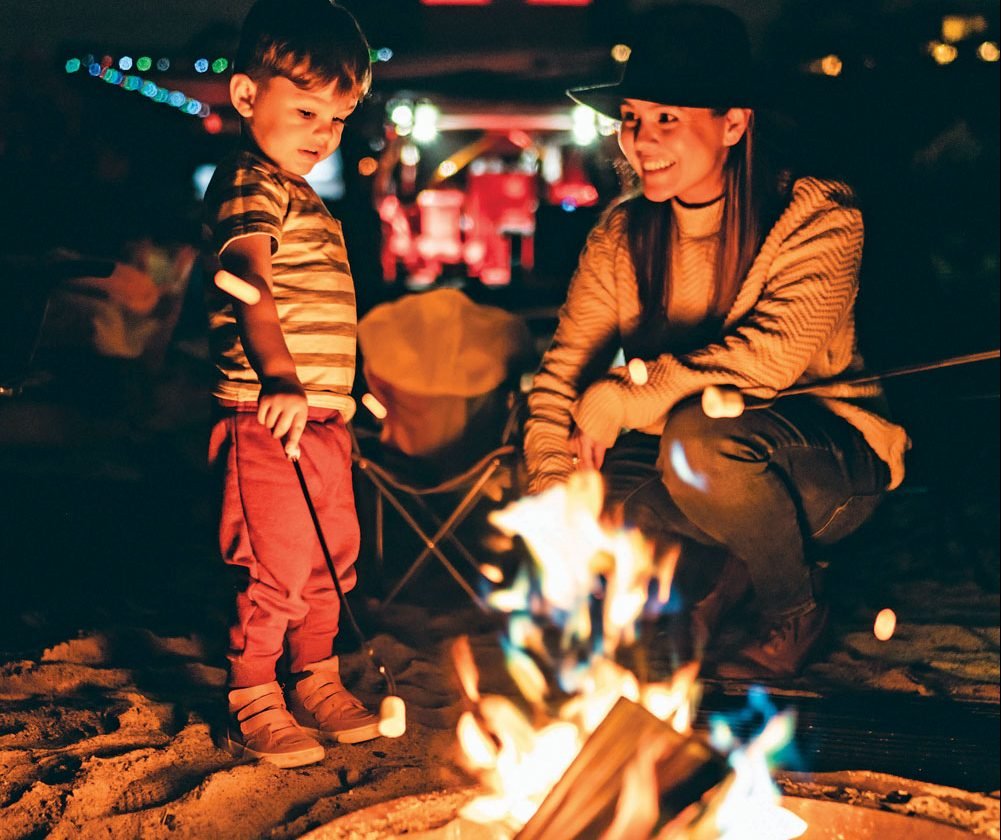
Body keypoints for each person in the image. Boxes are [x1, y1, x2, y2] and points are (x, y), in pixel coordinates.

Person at [524, 5, 910, 679]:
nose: (641, 141)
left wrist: (623, 395)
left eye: (667, 118)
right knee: (606, 499)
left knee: (700, 437)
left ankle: (794, 609)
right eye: (632, 118)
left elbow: (769, 358)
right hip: (691, 467)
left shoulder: (817, 214)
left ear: (732, 123)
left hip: (822, 468)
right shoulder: (621, 236)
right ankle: (717, 582)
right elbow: (561, 376)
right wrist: (558, 497)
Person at [203, 0, 378, 767]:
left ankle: (316, 675)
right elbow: (248, 281)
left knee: (333, 555)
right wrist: (278, 374)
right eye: (306, 109)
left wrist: (352, 391)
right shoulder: (249, 181)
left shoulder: (305, 196)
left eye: (338, 118)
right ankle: (254, 691)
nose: (323, 133)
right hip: (264, 413)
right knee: (276, 562)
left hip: (322, 418)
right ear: (246, 96)